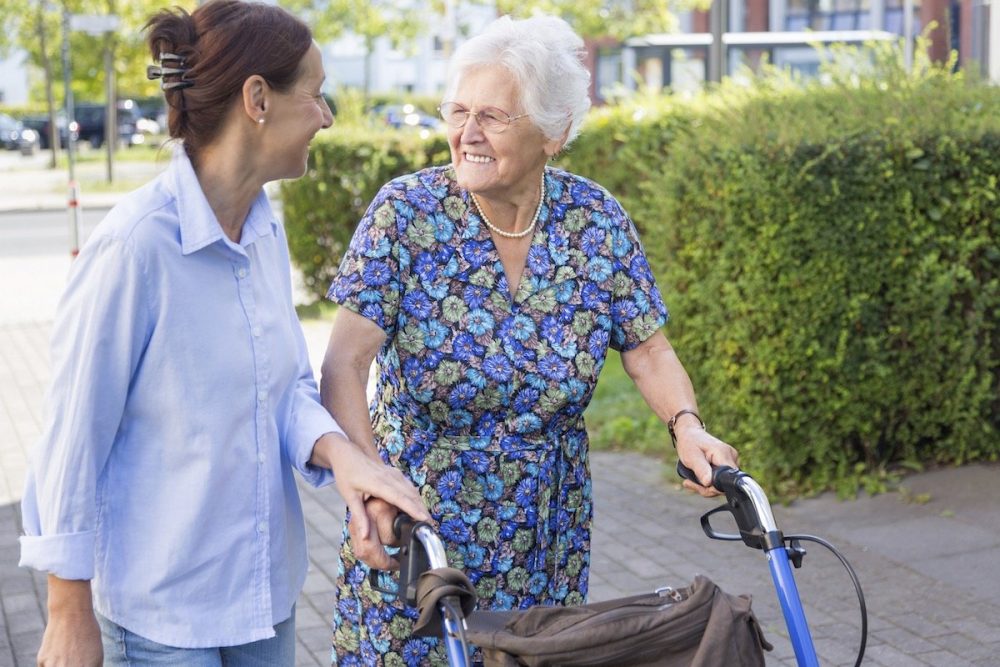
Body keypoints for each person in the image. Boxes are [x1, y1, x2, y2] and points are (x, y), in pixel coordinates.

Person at [18, 2, 429, 665]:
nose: (326, 117)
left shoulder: (263, 227)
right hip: (163, 615)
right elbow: (72, 437)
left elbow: (287, 385)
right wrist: (67, 610)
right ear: (258, 99)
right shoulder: (135, 248)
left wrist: (347, 457)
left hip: (263, 596)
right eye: (317, 94)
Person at [321, 14, 741, 664]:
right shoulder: (406, 214)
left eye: (492, 116)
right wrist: (371, 482)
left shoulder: (593, 219)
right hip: (415, 529)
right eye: (458, 111)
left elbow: (648, 348)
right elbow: (343, 363)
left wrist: (686, 426)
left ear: (555, 131)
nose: (467, 133)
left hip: (548, 529)